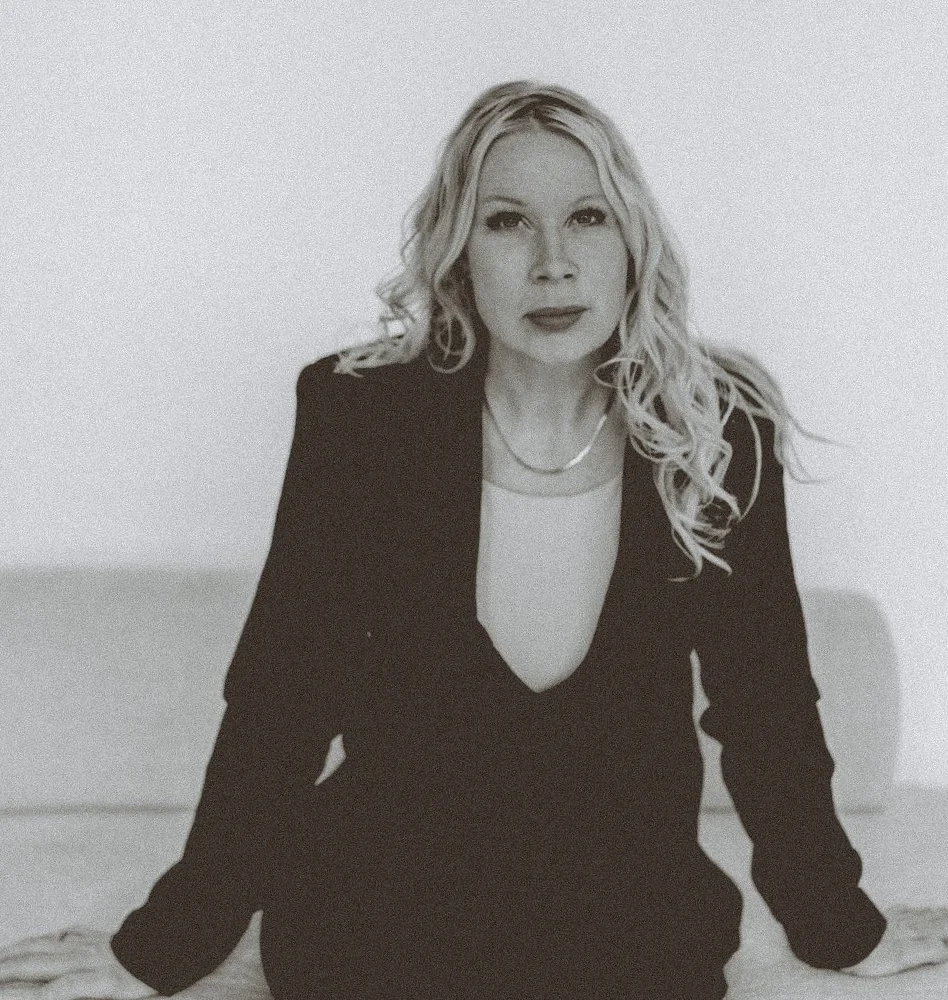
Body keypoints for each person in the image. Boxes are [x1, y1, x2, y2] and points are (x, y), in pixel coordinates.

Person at [1, 80, 946, 1000]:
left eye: (587, 218)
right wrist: (165, 947)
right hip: (375, 915)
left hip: (627, 921)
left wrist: (836, 924)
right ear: (459, 252)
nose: (552, 262)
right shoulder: (362, 417)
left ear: (633, 241)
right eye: (507, 222)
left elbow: (767, 705)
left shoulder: (713, 429)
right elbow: (282, 702)